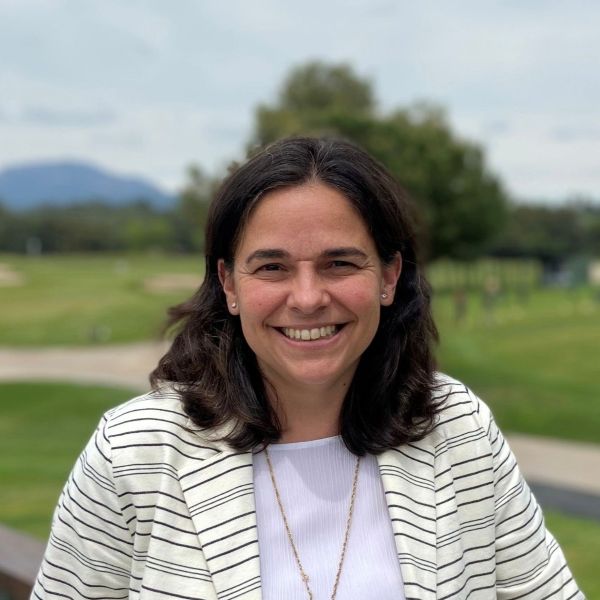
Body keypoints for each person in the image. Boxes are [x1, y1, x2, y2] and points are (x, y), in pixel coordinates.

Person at [32, 137, 583, 599]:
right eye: (272, 267)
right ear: (229, 284)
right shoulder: (134, 452)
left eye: (339, 263)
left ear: (389, 276)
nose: (307, 298)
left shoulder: (459, 429)